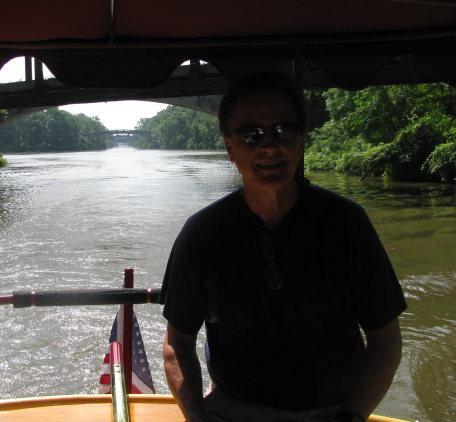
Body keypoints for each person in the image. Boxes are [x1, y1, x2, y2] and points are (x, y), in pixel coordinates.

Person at [160, 72, 407, 422]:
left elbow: (386, 340)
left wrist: (350, 417)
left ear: (302, 138)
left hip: (333, 412)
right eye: (251, 134)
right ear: (230, 148)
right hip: (232, 409)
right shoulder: (203, 233)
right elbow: (177, 345)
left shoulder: (347, 224)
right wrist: (198, 416)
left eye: (284, 130)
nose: (269, 145)